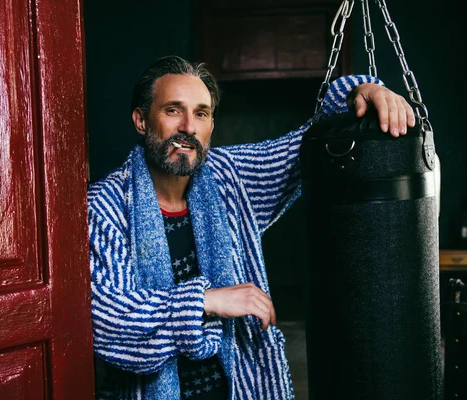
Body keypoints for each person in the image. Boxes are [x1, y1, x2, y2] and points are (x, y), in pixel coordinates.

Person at [87, 55, 414, 399]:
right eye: (172, 110)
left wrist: (361, 90)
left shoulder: (230, 177)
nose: (188, 126)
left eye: (201, 113)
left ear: (211, 125)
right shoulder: (107, 206)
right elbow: (109, 324)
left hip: (240, 390)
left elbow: (309, 141)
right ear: (141, 120)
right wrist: (206, 301)